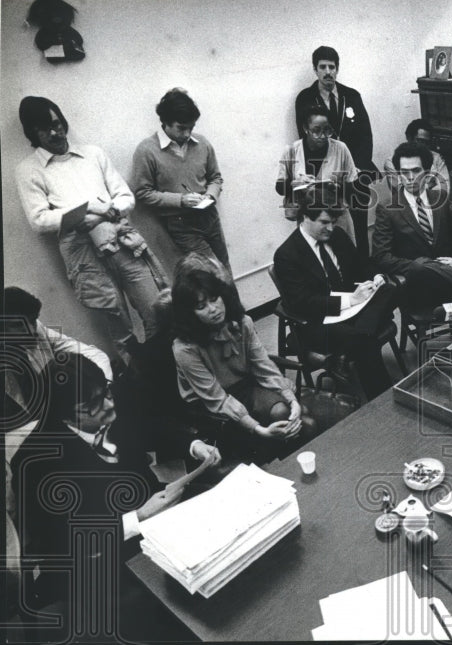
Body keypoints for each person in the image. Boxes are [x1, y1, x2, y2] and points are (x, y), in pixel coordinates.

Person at [10, 354, 221, 622]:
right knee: (165, 600)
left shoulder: (109, 405)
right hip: (98, 557)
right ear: (62, 415)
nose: (109, 405)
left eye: (106, 392)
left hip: (155, 513)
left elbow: (152, 428)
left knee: (215, 519)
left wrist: (194, 445)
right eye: (93, 404)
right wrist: (138, 517)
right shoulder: (35, 462)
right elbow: (61, 541)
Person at [15, 96, 169, 359]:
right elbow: (39, 220)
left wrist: (97, 215)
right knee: (118, 324)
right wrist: (87, 210)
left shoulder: (93, 153)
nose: (55, 132)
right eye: (45, 128)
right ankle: (142, 384)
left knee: (155, 308)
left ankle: (172, 368)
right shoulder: (28, 170)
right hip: (82, 253)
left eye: (57, 123)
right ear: (32, 133)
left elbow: (125, 197)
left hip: (119, 238)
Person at [171, 266, 312, 463]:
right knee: (264, 441)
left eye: (214, 299)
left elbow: (264, 367)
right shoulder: (184, 348)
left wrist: (292, 400)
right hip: (209, 407)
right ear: (190, 313)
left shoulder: (242, 322)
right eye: (201, 306)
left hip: (244, 385)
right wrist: (259, 429)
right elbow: (217, 399)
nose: (213, 309)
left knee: (284, 413)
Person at [272, 202, 397, 400]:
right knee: (365, 341)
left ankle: (352, 347)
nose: (330, 228)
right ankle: (384, 400)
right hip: (319, 321)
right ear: (305, 217)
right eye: (324, 222)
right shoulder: (287, 254)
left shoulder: (336, 235)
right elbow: (302, 303)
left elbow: (361, 264)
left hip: (354, 311)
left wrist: (376, 276)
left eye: (333, 222)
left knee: (390, 289)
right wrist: (350, 301)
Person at [131, 88, 229, 273]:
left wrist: (210, 195)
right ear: (165, 122)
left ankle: (234, 303)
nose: (186, 134)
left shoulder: (202, 143)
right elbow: (143, 192)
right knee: (214, 273)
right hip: (182, 224)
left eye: (191, 128)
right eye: (181, 128)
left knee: (224, 267)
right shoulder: (146, 151)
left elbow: (215, 177)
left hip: (209, 215)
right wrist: (181, 200)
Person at [372, 142, 452, 308]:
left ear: (428, 173)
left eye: (416, 171)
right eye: (404, 172)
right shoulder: (387, 208)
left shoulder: (441, 198)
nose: (410, 177)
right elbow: (382, 256)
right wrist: (424, 267)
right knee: (423, 264)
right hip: (418, 287)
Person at [294, 46, 377, 258]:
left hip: (355, 173)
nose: (328, 71)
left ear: (337, 69)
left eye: (332, 67)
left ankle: (364, 271)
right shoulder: (305, 99)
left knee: (359, 228)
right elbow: (307, 140)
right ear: (315, 69)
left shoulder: (352, 96)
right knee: (331, 229)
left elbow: (365, 136)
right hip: (325, 178)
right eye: (323, 67)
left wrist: (355, 166)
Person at [2, 286, 112, 428]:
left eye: (33, 320)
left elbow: (95, 355)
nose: (31, 330)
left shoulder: (38, 330)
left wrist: (99, 390)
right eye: (17, 325)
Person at [276, 106, 358, 244]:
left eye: (327, 130)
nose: (322, 136)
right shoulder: (292, 151)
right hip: (308, 221)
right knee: (314, 260)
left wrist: (336, 188)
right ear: (305, 128)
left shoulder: (340, 148)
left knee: (344, 258)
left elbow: (353, 186)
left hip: (337, 219)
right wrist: (294, 184)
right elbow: (279, 187)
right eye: (316, 131)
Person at [382, 118, 450, 193]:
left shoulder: (436, 158)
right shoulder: (391, 162)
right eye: (420, 141)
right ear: (409, 138)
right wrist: (430, 185)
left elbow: (445, 189)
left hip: (435, 203)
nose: (423, 146)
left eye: (427, 142)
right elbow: (403, 193)